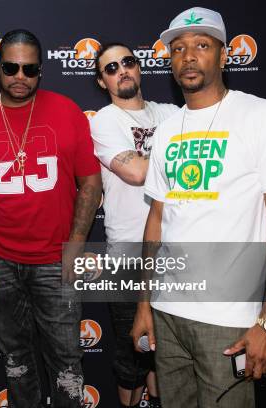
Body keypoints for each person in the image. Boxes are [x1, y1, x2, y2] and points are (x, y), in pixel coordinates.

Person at [131, 7, 266, 407]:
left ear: (224, 56)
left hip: (229, 320)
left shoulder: (262, 117)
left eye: (201, 45)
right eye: (178, 48)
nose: (188, 56)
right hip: (167, 314)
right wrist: (144, 304)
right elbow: (157, 220)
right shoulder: (169, 128)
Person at [0, 29, 102, 407]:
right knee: (16, 362)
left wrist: (76, 245)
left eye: (29, 69)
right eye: (11, 67)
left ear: (40, 71)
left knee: (66, 363)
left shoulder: (66, 111)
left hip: (55, 260)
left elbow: (90, 182)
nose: (20, 77)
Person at [90, 42, 178, 408]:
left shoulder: (171, 112)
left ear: (139, 67)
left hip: (175, 247)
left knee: (166, 352)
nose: (122, 70)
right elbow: (138, 172)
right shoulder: (106, 120)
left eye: (127, 62)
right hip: (129, 253)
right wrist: (173, 154)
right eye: (111, 68)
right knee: (133, 353)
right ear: (102, 81)